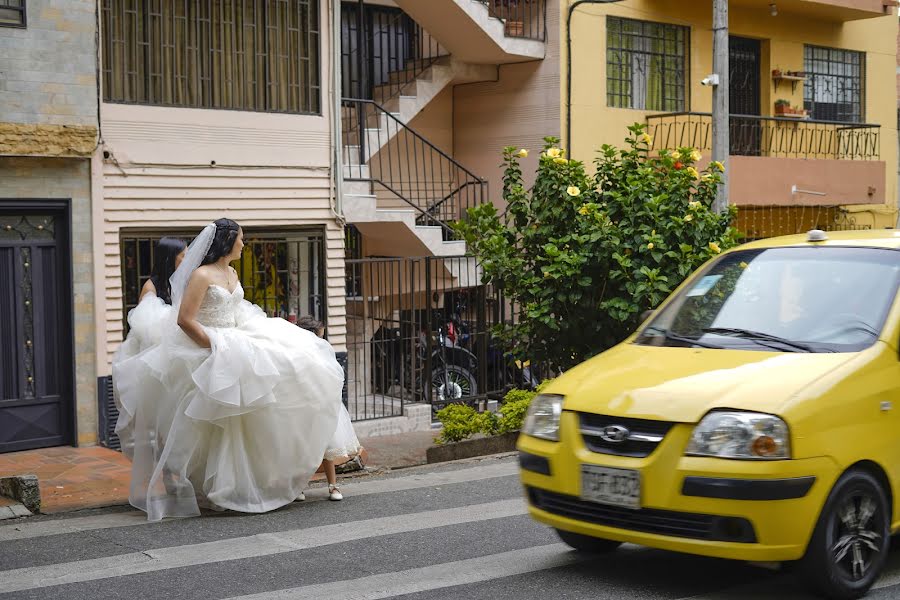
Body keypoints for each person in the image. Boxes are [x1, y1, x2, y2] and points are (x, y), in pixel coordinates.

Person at [118, 219, 345, 521]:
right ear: (226, 242)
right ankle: (218, 488)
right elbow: (185, 319)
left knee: (273, 391)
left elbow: (237, 310)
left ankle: (244, 483)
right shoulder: (201, 275)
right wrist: (214, 345)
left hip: (238, 339)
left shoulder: (232, 272)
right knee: (218, 425)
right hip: (212, 345)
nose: (243, 244)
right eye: (240, 239)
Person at [112, 237, 186, 461]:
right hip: (157, 364)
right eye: (184, 255)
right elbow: (147, 329)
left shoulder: (183, 283)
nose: (187, 260)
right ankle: (168, 473)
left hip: (180, 360)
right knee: (166, 421)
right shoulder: (151, 287)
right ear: (170, 258)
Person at [296, 316, 363, 502]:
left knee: (327, 444)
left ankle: (333, 485)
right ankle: (299, 485)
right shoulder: (295, 352)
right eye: (320, 335)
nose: (322, 339)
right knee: (302, 446)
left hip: (323, 402)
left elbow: (334, 374)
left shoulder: (323, 352)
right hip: (301, 403)